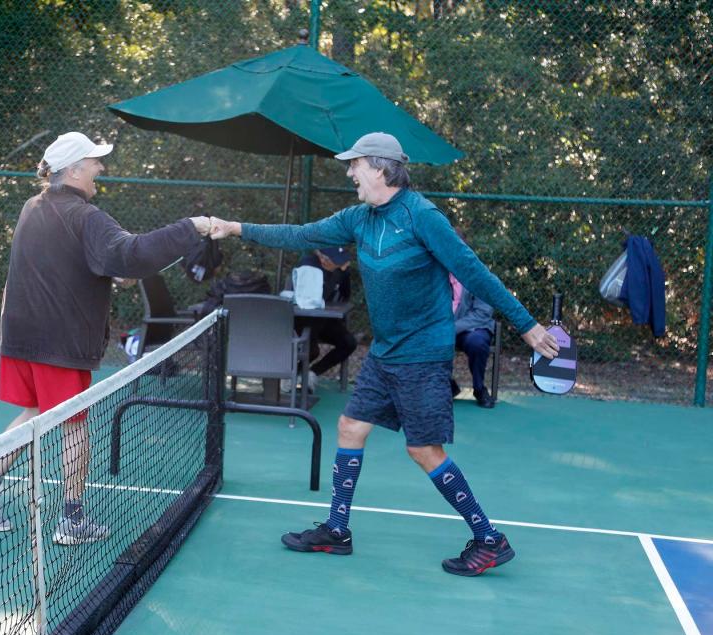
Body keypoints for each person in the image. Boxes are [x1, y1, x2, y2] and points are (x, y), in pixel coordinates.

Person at [209, 132, 559, 576]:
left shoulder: (423, 217)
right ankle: (337, 531)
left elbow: (474, 272)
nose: (349, 171)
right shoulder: (360, 218)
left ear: (379, 167)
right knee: (351, 426)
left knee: (423, 450)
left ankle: (489, 538)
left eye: (354, 164)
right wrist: (236, 227)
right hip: (386, 352)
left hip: (422, 353)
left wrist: (527, 325)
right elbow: (301, 233)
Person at [0, 131, 211, 544]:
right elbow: (130, 254)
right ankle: (71, 520)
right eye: (94, 161)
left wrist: (112, 270)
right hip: (58, 340)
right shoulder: (86, 216)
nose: (101, 168)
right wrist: (191, 228)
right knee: (75, 426)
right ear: (73, 170)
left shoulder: (32, 207)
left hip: (23, 332)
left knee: (39, 413)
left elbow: (67, 261)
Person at [284, 247, 357, 393]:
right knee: (311, 351)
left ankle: (312, 374)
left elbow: (344, 296)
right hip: (301, 320)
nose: (340, 263)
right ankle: (289, 376)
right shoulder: (308, 266)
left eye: (342, 259)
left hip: (326, 320)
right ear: (322, 256)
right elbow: (307, 301)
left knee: (348, 343)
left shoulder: (341, 271)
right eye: (335, 259)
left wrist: (342, 272)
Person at [450, 273, 497, 408]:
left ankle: (479, 389)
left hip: (475, 328)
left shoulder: (478, 276)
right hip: (445, 328)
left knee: (477, 343)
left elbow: (482, 313)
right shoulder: (436, 276)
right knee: (429, 340)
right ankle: (448, 385)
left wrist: (451, 328)